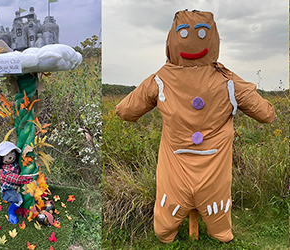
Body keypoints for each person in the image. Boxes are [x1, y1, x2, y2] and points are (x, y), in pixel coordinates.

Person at [115, 10, 275, 243]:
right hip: (215, 171)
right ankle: (220, 232)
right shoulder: (228, 80)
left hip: (175, 168)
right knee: (217, 210)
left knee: (167, 214)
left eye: (202, 34)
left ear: (170, 41)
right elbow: (266, 113)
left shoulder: (160, 79)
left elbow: (125, 111)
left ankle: (166, 232)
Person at [0, 141, 33, 224]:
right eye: (5, 155)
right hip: (8, 191)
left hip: (17, 188)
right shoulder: (4, 171)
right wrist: (26, 179)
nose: (10, 157)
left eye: (12, 152)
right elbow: (14, 179)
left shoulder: (15, 163)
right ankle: (11, 211)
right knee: (19, 199)